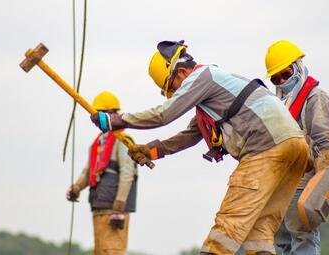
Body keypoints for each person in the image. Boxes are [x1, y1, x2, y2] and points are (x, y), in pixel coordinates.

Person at [91, 40, 309, 255]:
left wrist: (118, 121)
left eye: (173, 87)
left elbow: (164, 114)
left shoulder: (202, 77)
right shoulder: (218, 87)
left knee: (226, 229)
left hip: (265, 148)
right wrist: (153, 151)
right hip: (295, 148)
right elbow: (191, 135)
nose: (177, 93)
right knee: (259, 233)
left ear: (182, 73)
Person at [265, 40, 329, 255]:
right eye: (275, 78)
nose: (281, 81)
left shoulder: (316, 98)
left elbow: (326, 143)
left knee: (303, 238)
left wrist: (320, 188)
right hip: (282, 182)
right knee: (282, 242)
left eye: (286, 74)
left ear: (297, 67)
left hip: (305, 180)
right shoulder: (280, 104)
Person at [66, 91, 138, 255]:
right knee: (100, 251)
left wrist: (119, 207)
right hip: (99, 206)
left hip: (114, 211)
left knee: (112, 251)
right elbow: (88, 172)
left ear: (112, 115)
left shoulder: (123, 141)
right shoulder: (98, 143)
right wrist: (76, 187)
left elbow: (127, 174)